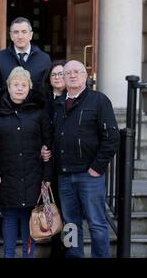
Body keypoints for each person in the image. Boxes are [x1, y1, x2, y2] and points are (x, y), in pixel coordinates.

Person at [52, 60, 119, 258]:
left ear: (85, 76)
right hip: (64, 176)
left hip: (89, 175)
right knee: (70, 224)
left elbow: (112, 138)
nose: (72, 75)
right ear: (62, 78)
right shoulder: (57, 104)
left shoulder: (99, 101)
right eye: (68, 73)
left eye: (77, 72)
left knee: (97, 223)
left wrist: (97, 168)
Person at [0, 66, 52, 258]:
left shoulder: (38, 112)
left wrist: (47, 175)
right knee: (9, 217)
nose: (20, 88)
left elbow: (48, 144)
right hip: (7, 174)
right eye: (16, 84)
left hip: (33, 174)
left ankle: (28, 256)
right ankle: (8, 255)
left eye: (24, 85)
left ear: (30, 87)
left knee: (29, 220)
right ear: (8, 86)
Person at [41, 60, 67, 258]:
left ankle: (68, 251)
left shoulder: (73, 99)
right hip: (46, 163)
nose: (58, 77)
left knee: (69, 215)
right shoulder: (44, 100)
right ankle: (56, 252)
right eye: (54, 75)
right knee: (54, 211)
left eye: (61, 73)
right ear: (49, 80)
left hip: (67, 165)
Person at [0, 17, 51, 90]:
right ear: (11, 36)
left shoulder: (44, 59)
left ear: (31, 35)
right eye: (16, 32)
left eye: (24, 32)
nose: (20, 36)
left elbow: (47, 89)